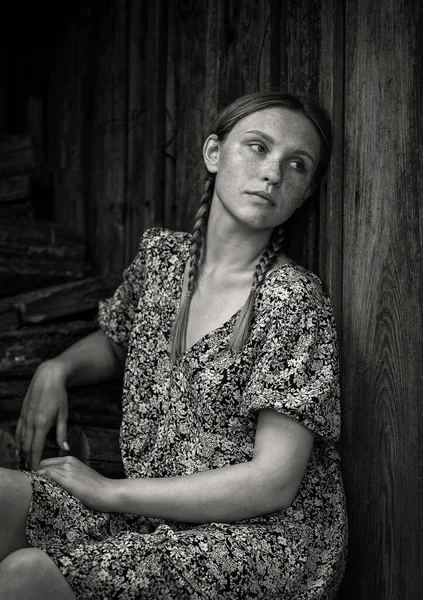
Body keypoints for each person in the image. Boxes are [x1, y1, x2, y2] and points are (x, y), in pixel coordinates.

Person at [0, 91, 347, 599]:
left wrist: (110, 492)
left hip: (260, 542)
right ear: (214, 152)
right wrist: (59, 368)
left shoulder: (292, 301)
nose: (273, 172)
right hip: (155, 515)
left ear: (304, 192)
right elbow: (120, 341)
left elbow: (274, 482)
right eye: (257, 147)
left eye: (296, 164)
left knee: (24, 574)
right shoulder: (163, 259)